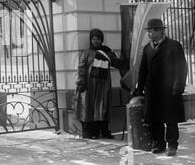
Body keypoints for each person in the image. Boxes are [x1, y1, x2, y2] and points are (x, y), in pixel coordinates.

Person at [134, 18, 187, 156]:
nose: (149, 34)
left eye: (151, 31)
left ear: (159, 31)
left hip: (170, 89)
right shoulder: (147, 48)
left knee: (170, 118)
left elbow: (182, 67)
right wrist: (140, 88)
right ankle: (159, 144)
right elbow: (143, 70)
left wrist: (178, 85)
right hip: (152, 90)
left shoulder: (174, 45)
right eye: (148, 31)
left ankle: (172, 145)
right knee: (154, 118)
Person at [74, 28, 123, 139]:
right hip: (89, 87)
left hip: (103, 87)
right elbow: (81, 68)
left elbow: (116, 63)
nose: (96, 41)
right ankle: (91, 132)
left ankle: (104, 131)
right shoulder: (86, 53)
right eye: (94, 39)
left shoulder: (107, 52)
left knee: (103, 108)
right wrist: (81, 83)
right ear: (91, 40)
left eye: (98, 39)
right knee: (89, 108)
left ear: (101, 40)